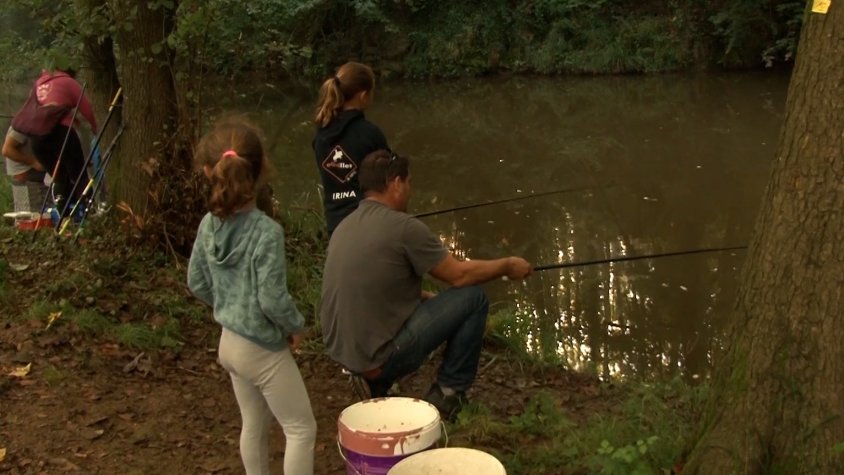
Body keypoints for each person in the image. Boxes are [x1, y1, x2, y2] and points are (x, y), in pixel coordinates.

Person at [320, 150, 533, 420]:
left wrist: (423, 297)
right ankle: (448, 394)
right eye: (408, 182)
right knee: (473, 298)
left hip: (343, 355)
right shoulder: (404, 227)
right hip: (377, 361)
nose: (410, 190)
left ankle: (378, 383)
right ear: (396, 183)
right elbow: (460, 275)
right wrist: (507, 265)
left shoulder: (346, 225)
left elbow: (376, 286)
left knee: (448, 301)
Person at [187, 119, 316, 475]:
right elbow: (272, 300)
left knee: (254, 425)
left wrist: (228, 305)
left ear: (210, 171)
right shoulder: (266, 231)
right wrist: (296, 327)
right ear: (259, 172)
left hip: (229, 343)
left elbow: (196, 281)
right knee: (301, 428)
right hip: (260, 349)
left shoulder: (208, 224)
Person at [313, 61, 389, 234]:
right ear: (363, 96)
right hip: (368, 225)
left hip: (335, 227)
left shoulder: (321, 135)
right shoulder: (370, 134)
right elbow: (389, 179)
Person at [11, 67, 97, 217]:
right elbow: (87, 109)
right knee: (79, 174)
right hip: (61, 132)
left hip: (37, 138)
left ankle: (63, 214)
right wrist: (96, 128)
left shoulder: (38, 84)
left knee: (58, 176)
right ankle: (89, 212)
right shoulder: (68, 82)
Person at [3, 126, 48, 212]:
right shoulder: (24, 125)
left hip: (25, 173)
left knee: (23, 213)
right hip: (25, 171)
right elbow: (7, 150)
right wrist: (33, 162)